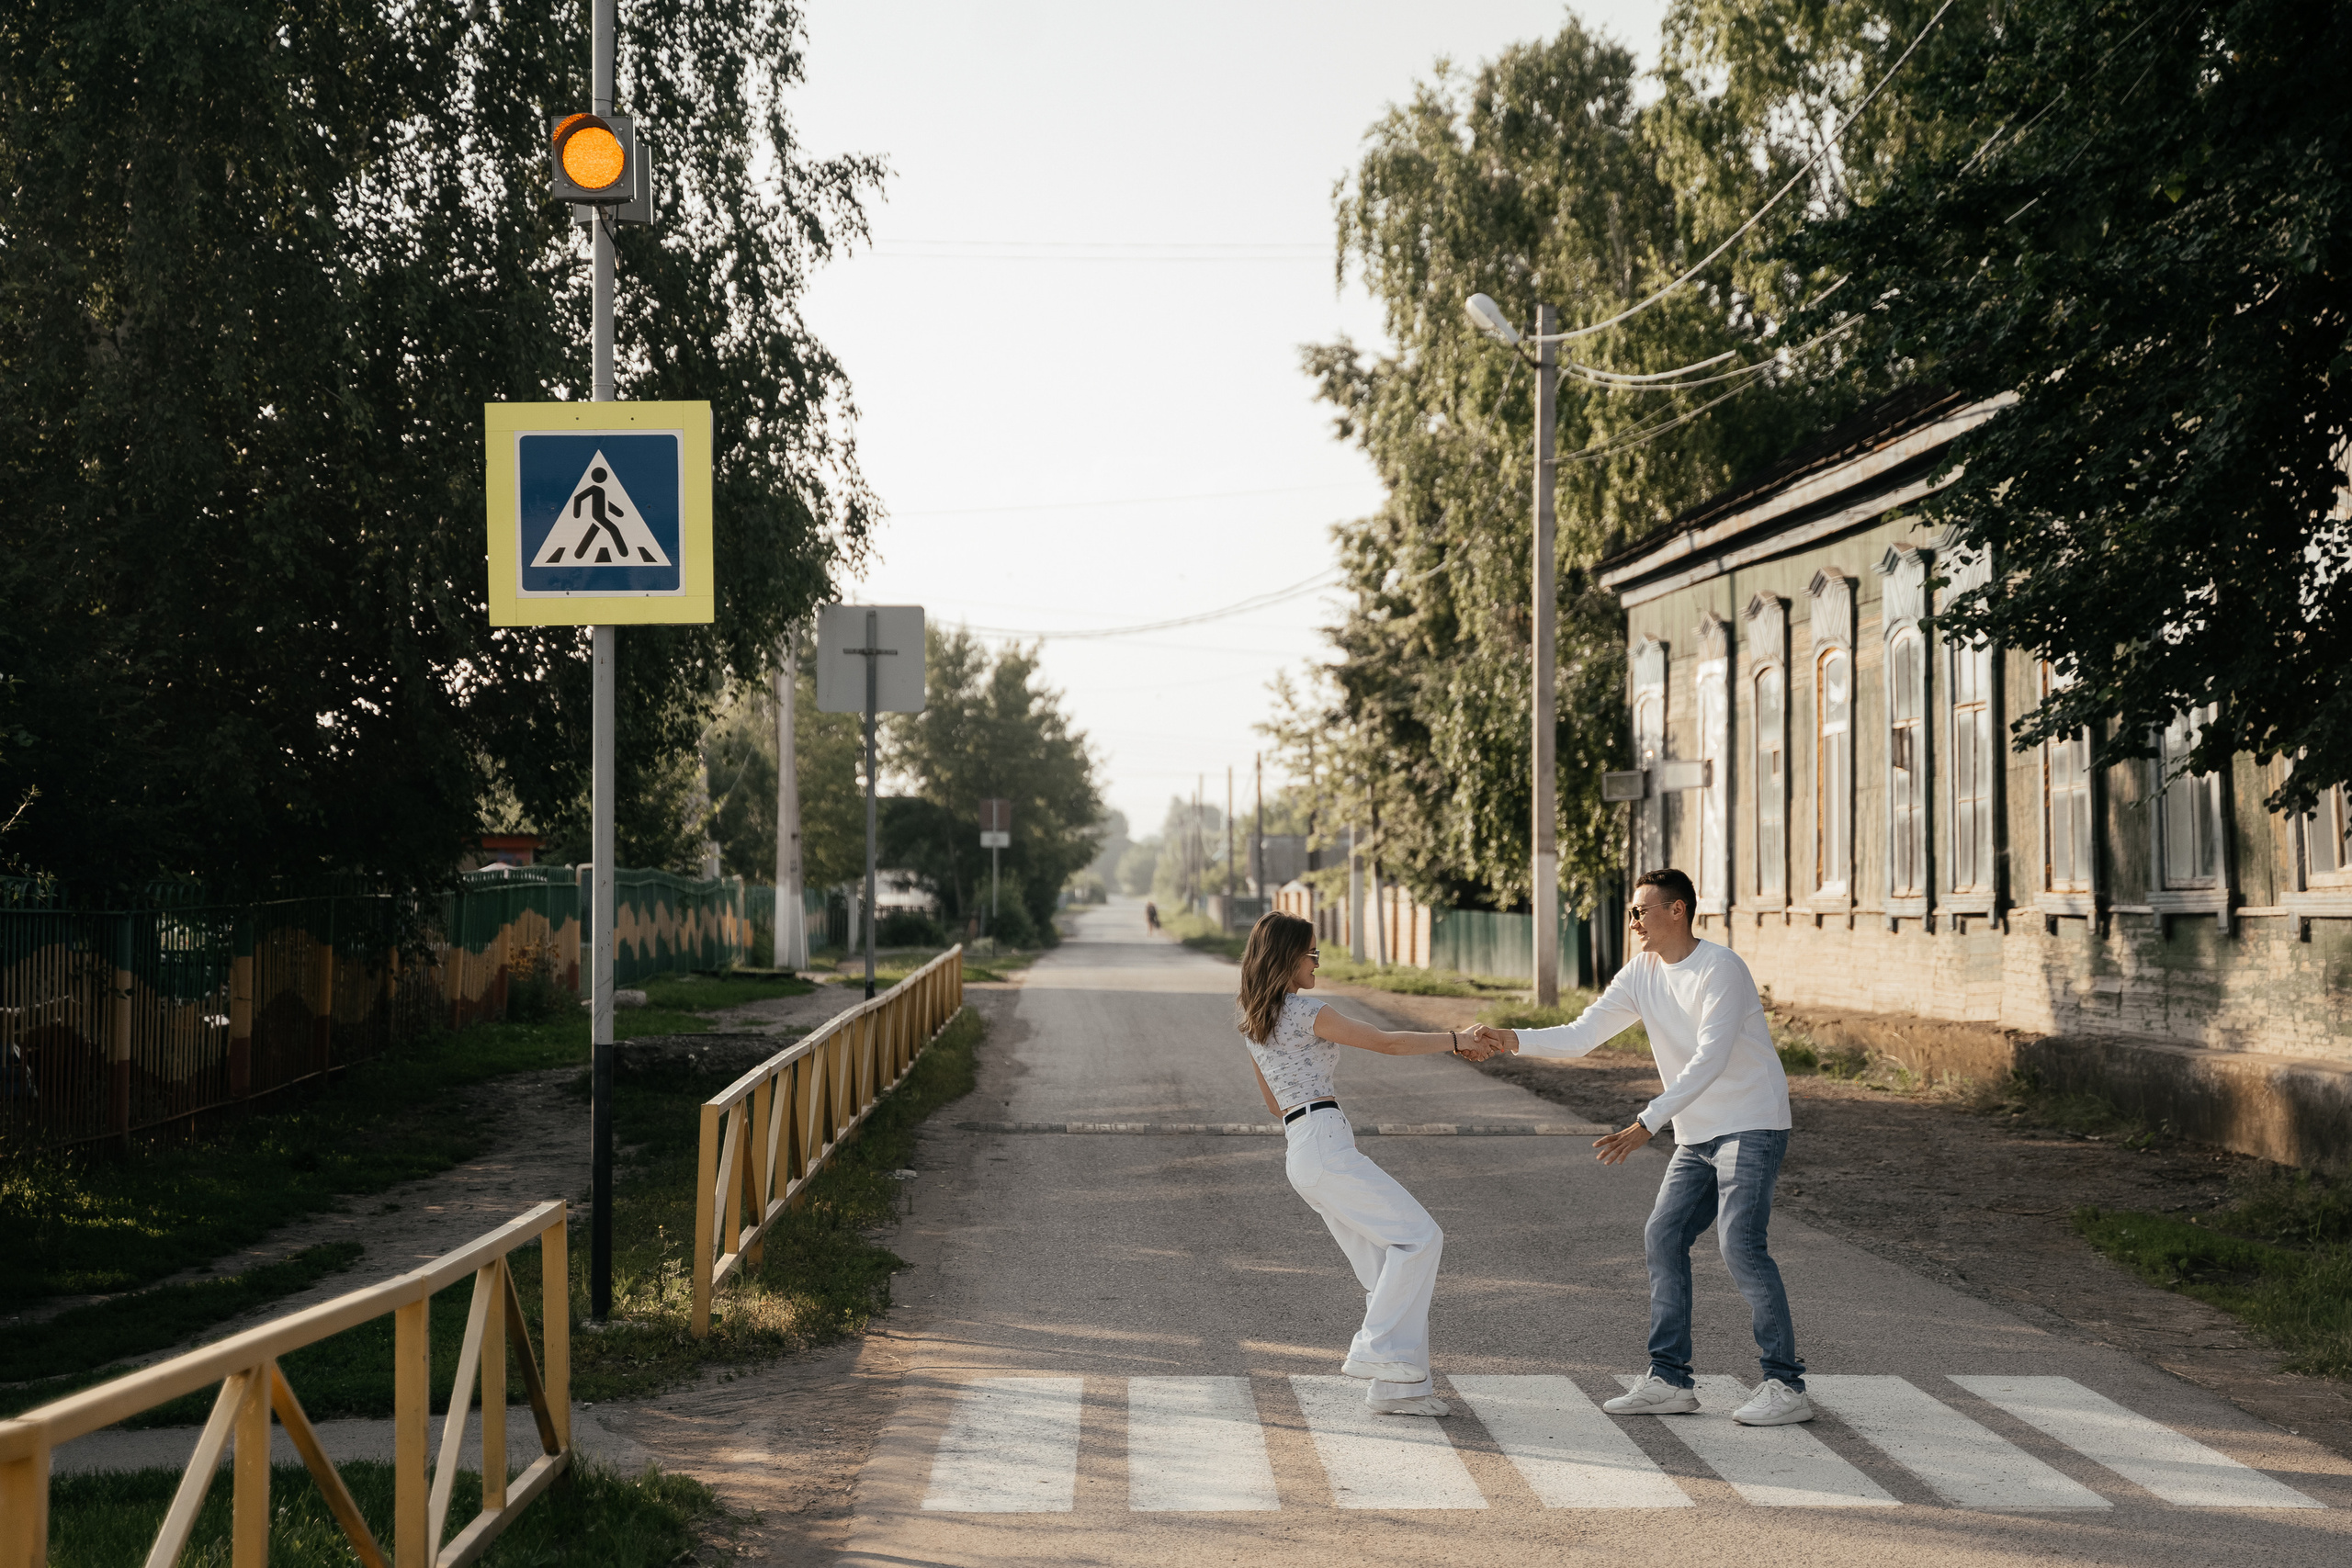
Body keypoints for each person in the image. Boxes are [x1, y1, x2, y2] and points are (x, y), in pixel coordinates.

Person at [1470, 867, 1810, 1427]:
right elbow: (1581, 1035)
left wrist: (1647, 1122)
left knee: (1740, 1244)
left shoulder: (1720, 968)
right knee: (1664, 1236)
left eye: (1640, 911)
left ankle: (1785, 1385)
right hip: (1698, 1132)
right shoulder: (1641, 973)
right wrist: (1511, 1039)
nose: (1633, 922)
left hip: (1750, 1122)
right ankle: (1670, 1379)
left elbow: (1710, 1057)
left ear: (1678, 910)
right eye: (1631, 912)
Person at [1237, 910, 1495, 1416]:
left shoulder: (1255, 1021)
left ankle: (1399, 1391)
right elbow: (1386, 1042)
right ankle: (1374, 1349)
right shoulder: (1306, 1011)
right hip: (1325, 1144)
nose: (1317, 962)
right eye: (1312, 953)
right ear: (1288, 956)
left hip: (1302, 1149)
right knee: (1420, 1238)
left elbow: (1273, 1103)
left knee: (1386, 1272)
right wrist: (1458, 1038)